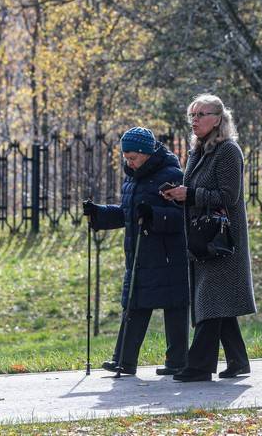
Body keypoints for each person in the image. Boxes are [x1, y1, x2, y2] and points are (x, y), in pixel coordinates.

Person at [162, 94, 256, 382]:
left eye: (202, 114)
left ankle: (199, 366)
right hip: (202, 240)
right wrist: (177, 195)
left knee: (210, 302)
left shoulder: (228, 151)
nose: (195, 120)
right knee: (218, 303)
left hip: (222, 240)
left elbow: (229, 197)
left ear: (218, 119)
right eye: (193, 114)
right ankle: (238, 361)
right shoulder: (198, 151)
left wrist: (189, 195)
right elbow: (195, 192)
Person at [82, 127, 189, 376]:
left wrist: (154, 215)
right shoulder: (133, 176)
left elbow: (181, 216)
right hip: (139, 254)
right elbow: (128, 213)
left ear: (147, 153)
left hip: (167, 254)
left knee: (175, 307)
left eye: (133, 157)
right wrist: (99, 214)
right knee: (134, 305)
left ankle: (178, 361)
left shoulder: (171, 174)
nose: (129, 162)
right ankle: (123, 360)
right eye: (126, 158)